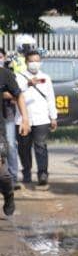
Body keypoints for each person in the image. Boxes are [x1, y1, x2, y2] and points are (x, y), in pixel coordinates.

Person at [14, 50, 57, 190]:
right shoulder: (19, 77)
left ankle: (43, 174)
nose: (35, 64)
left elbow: (50, 98)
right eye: (32, 61)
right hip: (22, 119)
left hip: (42, 118)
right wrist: (28, 85)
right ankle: (26, 172)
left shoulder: (45, 77)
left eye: (37, 61)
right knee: (24, 147)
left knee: (41, 146)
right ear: (26, 62)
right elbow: (14, 93)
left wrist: (53, 117)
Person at [0, 61, 30, 215]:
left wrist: (25, 119)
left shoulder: (4, 74)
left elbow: (19, 96)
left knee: (2, 174)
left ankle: (8, 194)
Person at [1, 48, 23, 190]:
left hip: (7, 113)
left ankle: (13, 176)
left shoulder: (8, 73)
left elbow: (17, 94)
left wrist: (5, 94)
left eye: (0, 56)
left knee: (10, 144)